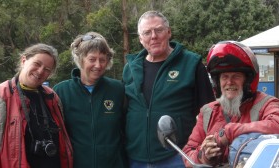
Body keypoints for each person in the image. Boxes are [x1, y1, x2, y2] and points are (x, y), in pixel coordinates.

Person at [122, 10, 215, 167]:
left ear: (169, 32)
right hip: (136, 157)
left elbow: (210, 112)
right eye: (147, 33)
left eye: (158, 30)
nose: (153, 36)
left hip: (178, 156)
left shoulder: (191, 64)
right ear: (140, 39)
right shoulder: (130, 68)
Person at [182, 41, 279, 167]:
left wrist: (229, 132)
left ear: (247, 81)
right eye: (224, 77)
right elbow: (187, 155)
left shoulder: (266, 104)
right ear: (217, 82)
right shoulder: (208, 112)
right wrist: (205, 155)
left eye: (236, 76)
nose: (229, 82)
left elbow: (276, 123)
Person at [0, 43, 73, 168]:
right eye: (37, 64)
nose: (40, 71)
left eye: (47, 69)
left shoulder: (52, 97)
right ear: (24, 60)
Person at [53, 32, 128, 168]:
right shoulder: (61, 91)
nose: (98, 65)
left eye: (102, 59)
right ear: (81, 59)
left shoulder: (118, 89)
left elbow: (127, 128)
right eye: (92, 59)